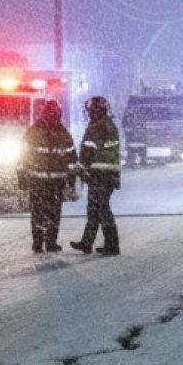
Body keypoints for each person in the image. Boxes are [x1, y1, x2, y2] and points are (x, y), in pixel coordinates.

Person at [19, 100, 77, 253]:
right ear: (59, 115)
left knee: (37, 211)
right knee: (54, 212)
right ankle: (51, 243)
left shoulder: (32, 132)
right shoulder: (64, 134)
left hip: (37, 180)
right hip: (56, 182)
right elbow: (72, 161)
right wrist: (71, 182)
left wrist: (22, 178)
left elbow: (23, 157)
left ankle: (37, 243)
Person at [70, 96, 123, 256]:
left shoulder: (98, 126)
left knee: (101, 210)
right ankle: (87, 243)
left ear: (95, 110)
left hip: (100, 175)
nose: (88, 113)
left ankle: (112, 245)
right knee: (95, 209)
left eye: (90, 110)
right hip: (107, 175)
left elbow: (88, 151)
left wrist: (81, 167)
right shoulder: (107, 125)